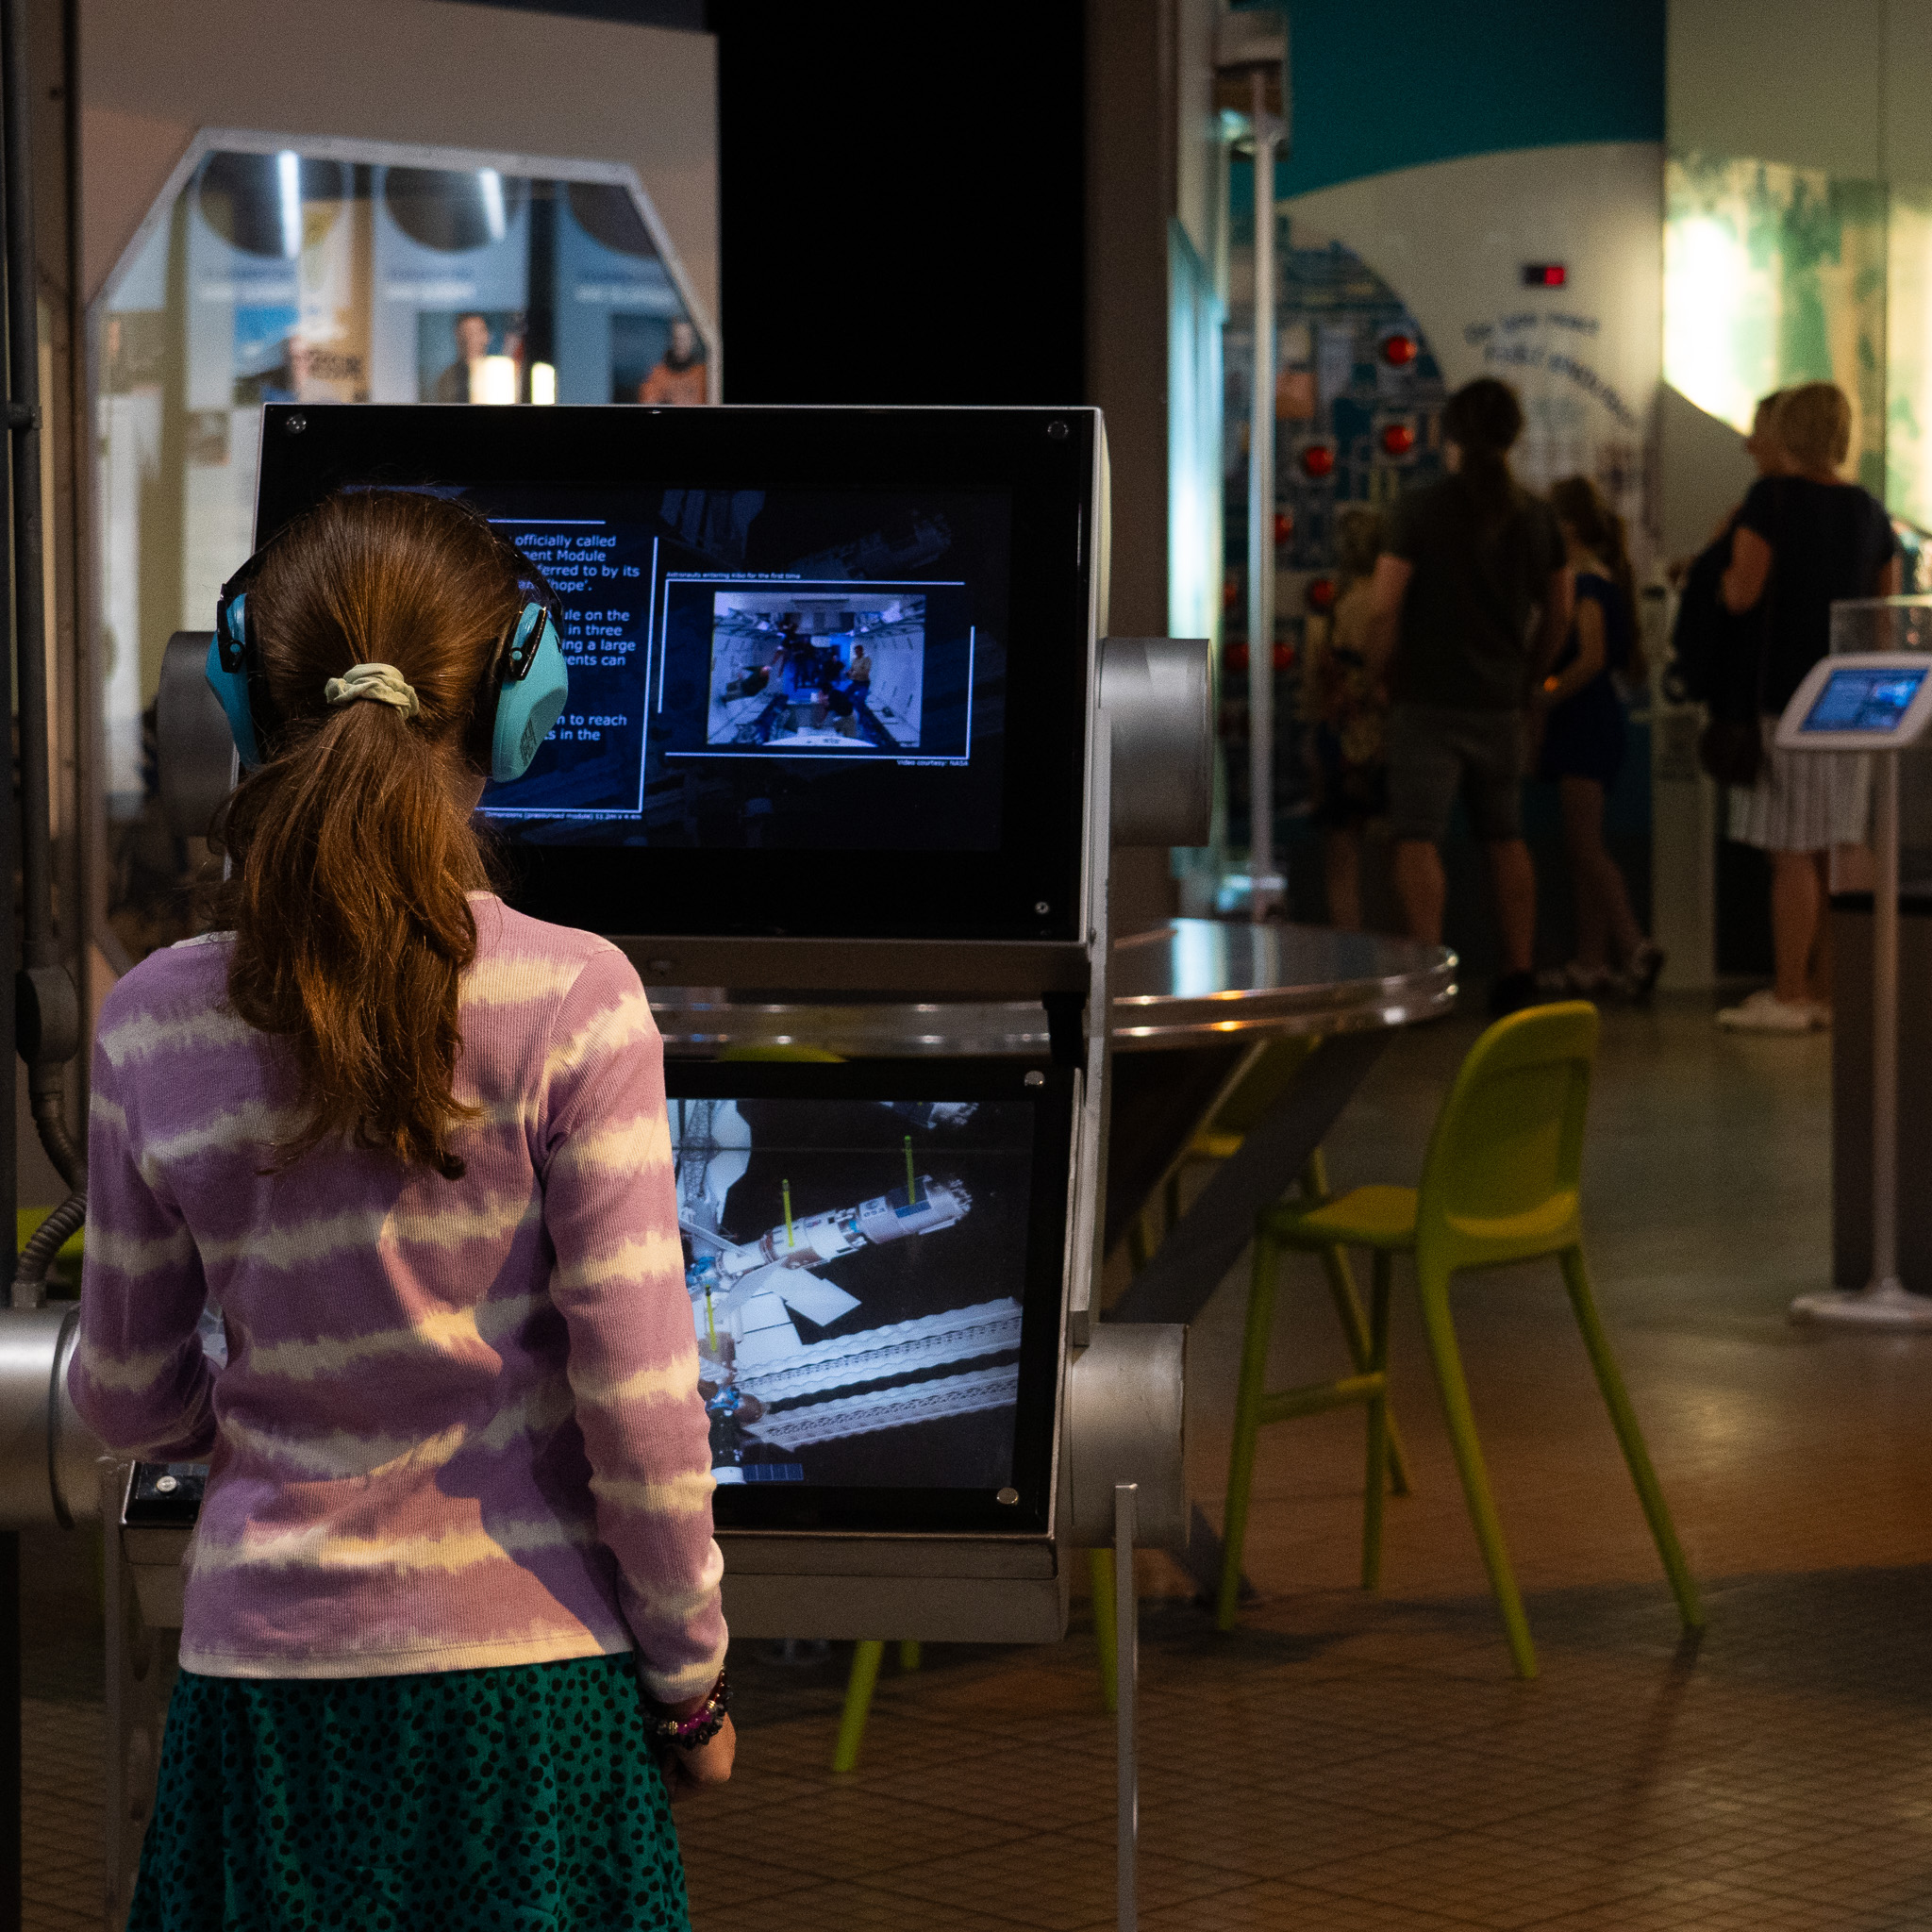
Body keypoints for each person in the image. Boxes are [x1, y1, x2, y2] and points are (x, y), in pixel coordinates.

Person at [70, 491, 733, 1929]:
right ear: (518, 707)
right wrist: (688, 1684)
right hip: (531, 1703)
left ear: (242, 700)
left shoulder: (152, 1019)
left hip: (263, 1691)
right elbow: (640, 1409)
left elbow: (123, 1397)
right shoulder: (578, 999)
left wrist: (273, 1409)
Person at [1365, 376, 1573, 1014]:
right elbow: (1561, 611)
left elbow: (1385, 607)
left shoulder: (1420, 509)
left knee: (1418, 836)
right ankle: (1518, 973)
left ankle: (1430, 978)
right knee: (1504, 835)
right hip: (1500, 702)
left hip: (1425, 699)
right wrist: (1530, 678)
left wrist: (1377, 674)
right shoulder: (1538, 517)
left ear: (1448, 434)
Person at [1717, 380, 1901, 1032]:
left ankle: (1789, 992)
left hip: (1786, 695)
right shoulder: (1869, 510)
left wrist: (1714, 572)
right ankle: (1834, 987)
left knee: (1791, 847)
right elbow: (1884, 616)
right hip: (1854, 694)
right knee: (1843, 839)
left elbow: (1742, 592)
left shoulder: (1771, 500)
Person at [1534, 476, 1665, 1000]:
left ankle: (1634, 945)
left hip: (1582, 723)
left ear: (1567, 527)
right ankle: (1592, 960)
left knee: (1585, 846)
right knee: (1583, 845)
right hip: (1595, 721)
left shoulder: (1586, 584)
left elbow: (1589, 657)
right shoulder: (1605, 579)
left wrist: (1545, 692)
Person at [1303, 503, 1389, 930]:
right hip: (1389, 735)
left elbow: (1319, 680)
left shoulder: (1342, 606)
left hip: (1343, 737)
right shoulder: (1392, 604)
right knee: (1401, 848)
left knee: (1342, 856)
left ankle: (1349, 947)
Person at [639, 319, 708, 407]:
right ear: (670, 340)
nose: (681, 343)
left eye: (686, 338)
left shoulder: (704, 374)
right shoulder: (656, 374)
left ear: (693, 341)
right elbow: (648, 404)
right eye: (677, 338)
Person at [431, 310, 491, 403]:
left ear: (487, 336)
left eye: (475, 333)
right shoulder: (447, 378)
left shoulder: (499, 374)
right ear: (457, 336)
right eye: (466, 333)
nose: (470, 340)